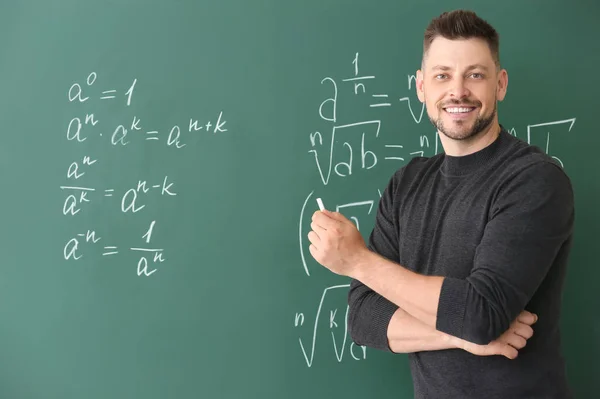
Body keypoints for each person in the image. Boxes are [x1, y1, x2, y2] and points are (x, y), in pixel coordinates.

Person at [307, 9, 574, 399]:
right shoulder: (406, 184)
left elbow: (481, 313)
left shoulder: (534, 180)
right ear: (421, 87)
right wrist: (461, 336)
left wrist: (358, 261)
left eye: (475, 75)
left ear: (500, 84)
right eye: (442, 75)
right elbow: (364, 318)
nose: (458, 91)